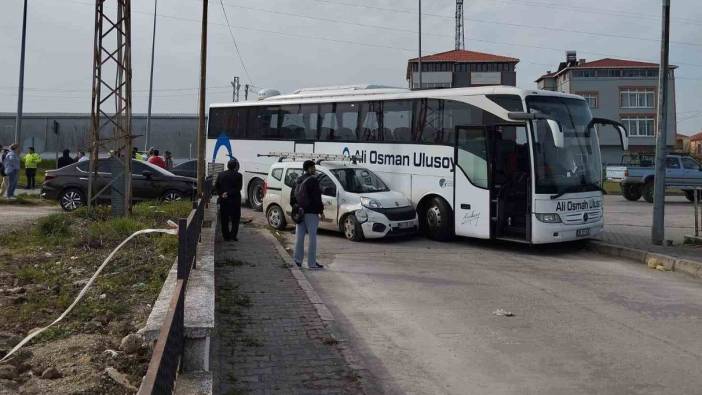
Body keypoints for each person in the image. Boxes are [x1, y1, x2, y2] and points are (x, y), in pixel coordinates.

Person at [293, 160, 325, 269]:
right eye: (313, 167)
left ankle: (297, 261)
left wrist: (297, 208)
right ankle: (311, 263)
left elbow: (292, 196)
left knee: (299, 237)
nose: (315, 169)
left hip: (300, 212)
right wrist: (321, 211)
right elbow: (317, 198)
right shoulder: (313, 180)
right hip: (311, 213)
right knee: (312, 238)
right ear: (309, 168)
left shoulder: (298, 179)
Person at [215, 158, 243, 241]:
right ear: (235, 167)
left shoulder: (221, 174)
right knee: (235, 219)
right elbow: (239, 188)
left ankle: (226, 237)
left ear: (227, 166)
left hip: (224, 200)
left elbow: (216, 186)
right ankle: (233, 236)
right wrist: (229, 193)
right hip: (235, 201)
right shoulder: (239, 175)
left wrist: (221, 194)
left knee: (224, 219)